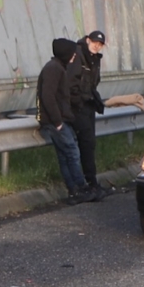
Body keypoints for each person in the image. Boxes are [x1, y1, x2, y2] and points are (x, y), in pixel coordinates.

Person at [37, 37, 94, 202]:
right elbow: (48, 96)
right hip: (56, 121)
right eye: (72, 53)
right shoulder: (54, 69)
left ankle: (74, 191)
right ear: (66, 54)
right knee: (72, 153)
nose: (75, 56)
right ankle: (80, 188)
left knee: (65, 155)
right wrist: (58, 122)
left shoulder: (57, 67)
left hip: (59, 120)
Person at [72, 29, 108, 193]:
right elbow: (72, 82)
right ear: (87, 40)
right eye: (95, 42)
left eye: (100, 44)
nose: (97, 46)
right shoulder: (78, 55)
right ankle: (87, 182)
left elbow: (92, 84)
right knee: (85, 143)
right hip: (78, 106)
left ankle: (89, 181)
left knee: (89, 144)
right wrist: (79, 100)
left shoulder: (95, 59)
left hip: (88, 105)